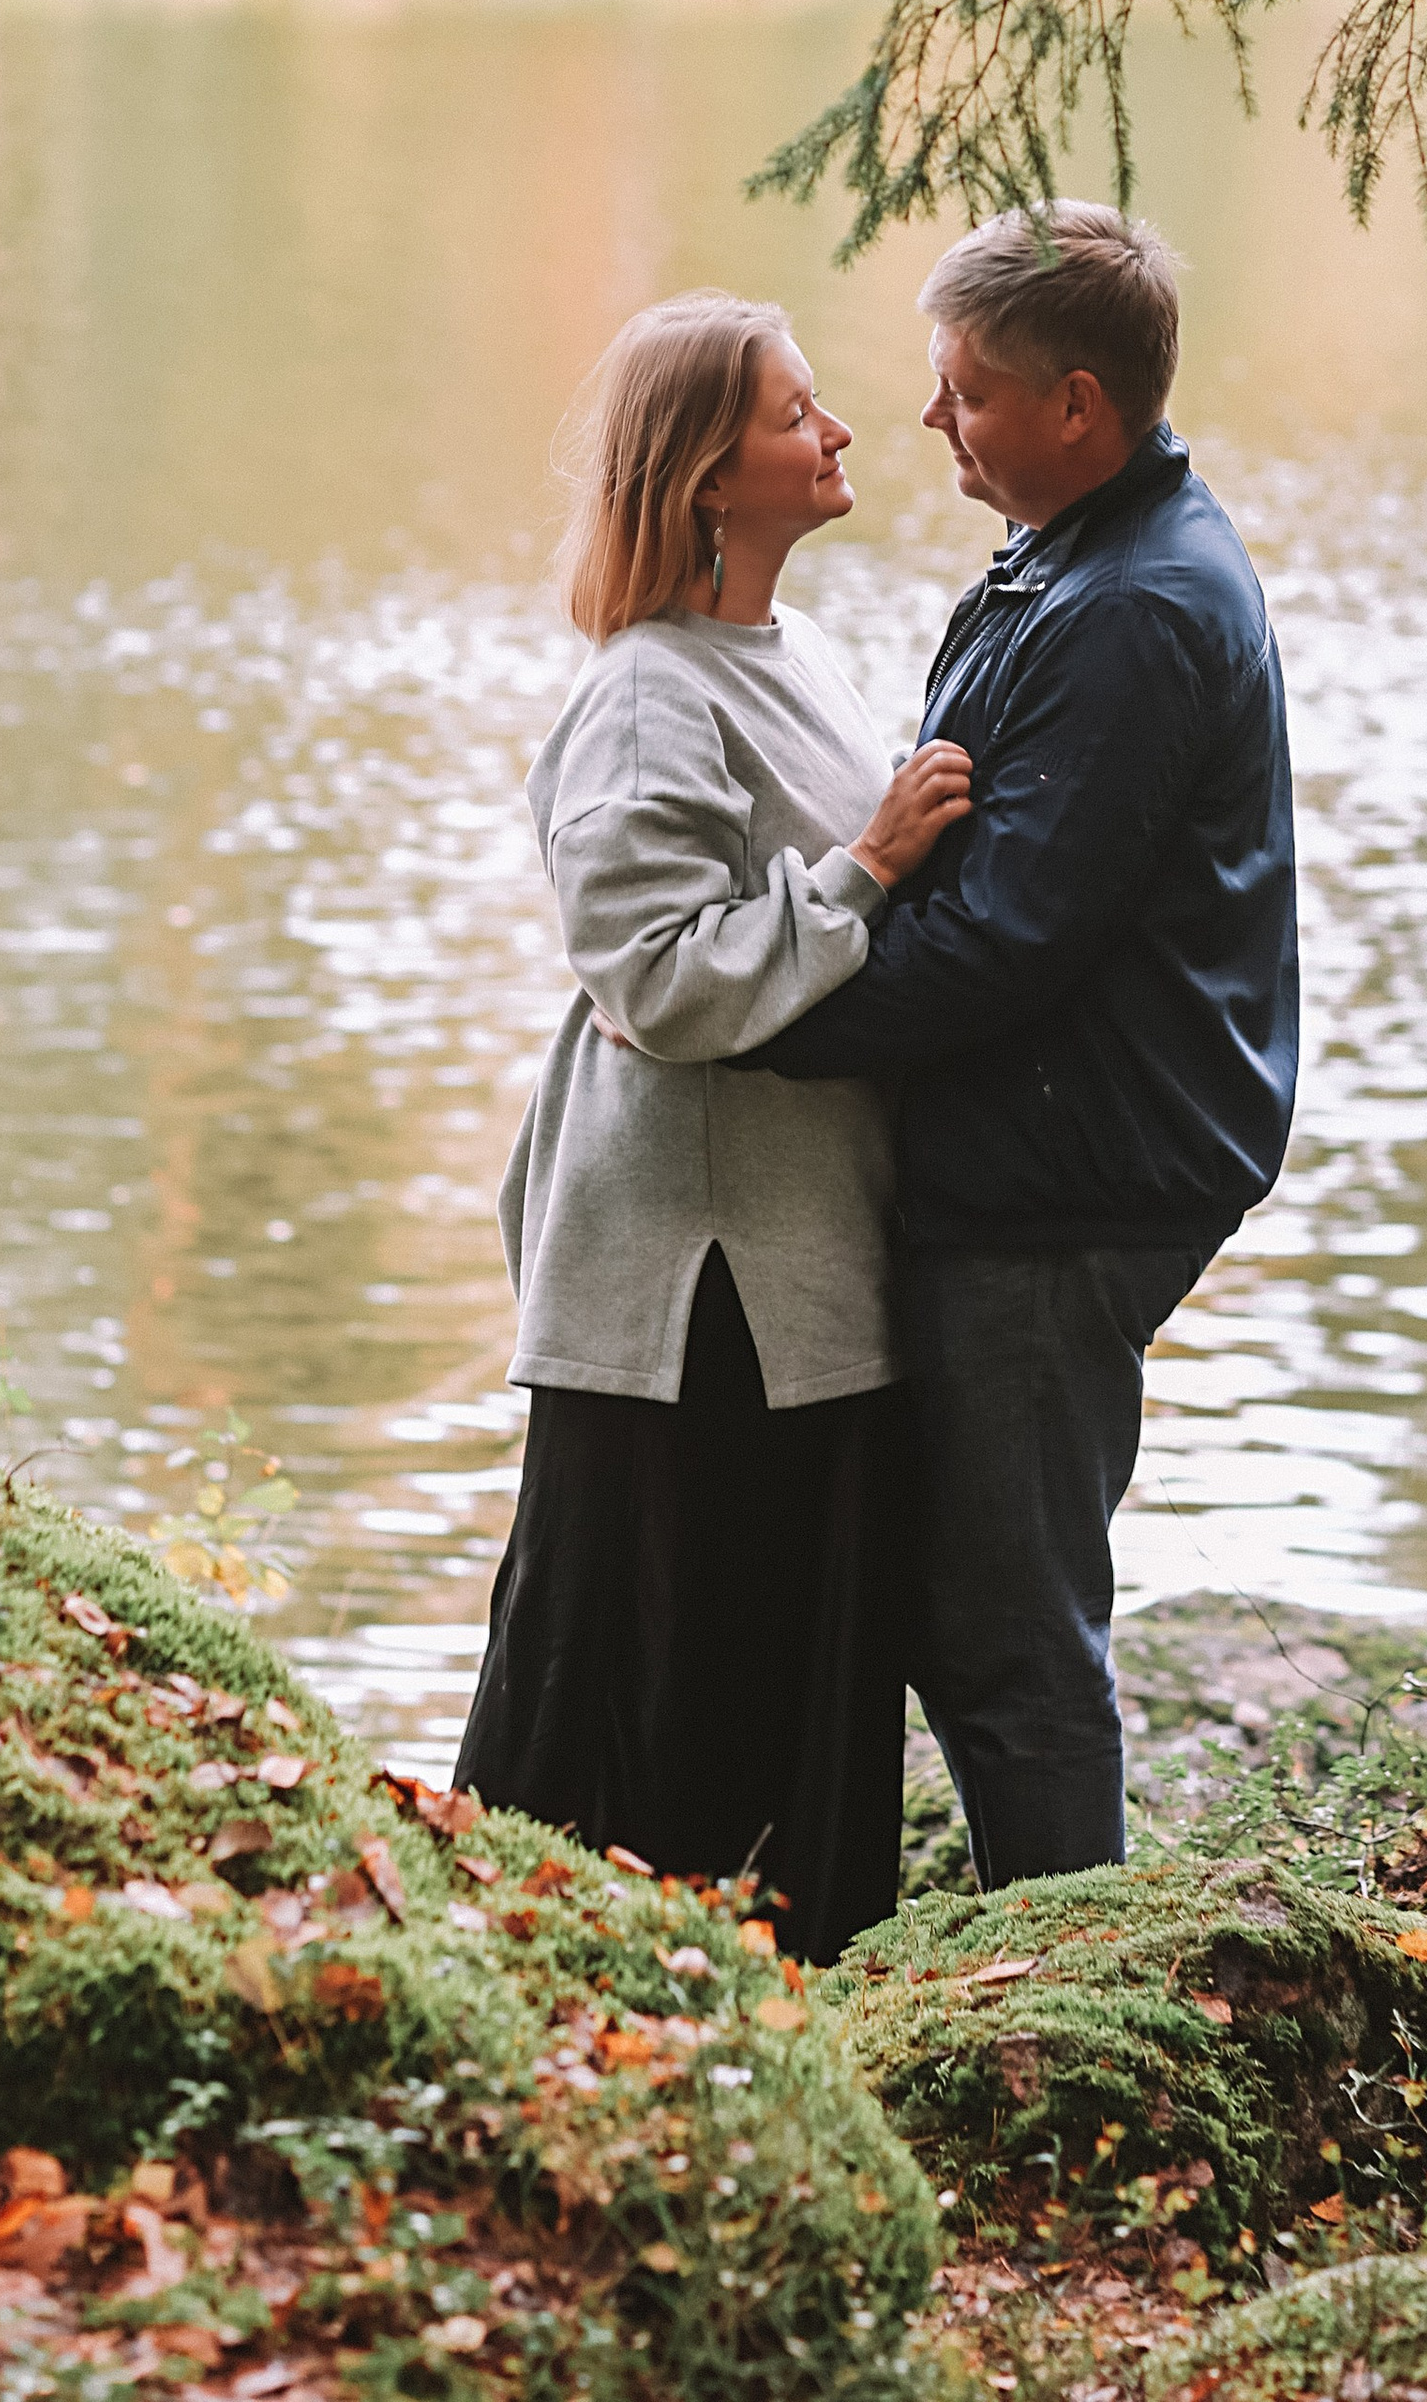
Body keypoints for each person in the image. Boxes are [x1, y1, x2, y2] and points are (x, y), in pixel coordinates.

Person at [757, 203, 1297, 1890]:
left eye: (966, 392)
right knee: (964, 1596)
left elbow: (1006, 936)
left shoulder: (1138, 604)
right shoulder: (1075, 552)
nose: (931, 421)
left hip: (1077, 1173)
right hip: (1053, 1152)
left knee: (1004, 1622)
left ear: (1078, 404)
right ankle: (1040, 1945)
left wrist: (750, 1020)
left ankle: (1069, 1979)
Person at [456, 290, 972, 1959]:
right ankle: (584, 2016)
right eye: (795, 411)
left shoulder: (794, 657)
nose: (837, 433)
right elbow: (657, 983)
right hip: (692, 1299)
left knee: (791, 1671)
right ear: (701, 474)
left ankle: (783, 2017)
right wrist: (870, 868)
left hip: (802, 1271)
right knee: (658, 1688)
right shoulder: (644, 699)